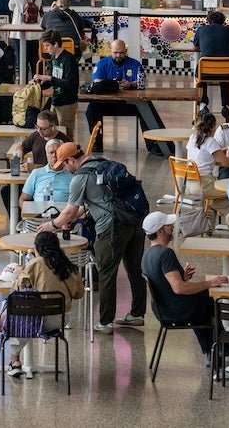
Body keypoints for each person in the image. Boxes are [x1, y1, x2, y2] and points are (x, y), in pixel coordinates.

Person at [50, 142, 147, 332]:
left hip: (111, 227)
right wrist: (76, 216)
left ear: (71, 160)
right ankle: (137, 313)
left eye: (64, 165)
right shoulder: (103, 162)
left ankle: (105, 322)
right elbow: (98, 200)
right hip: (135, 220)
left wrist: (52, 225)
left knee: (106, 272)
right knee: (134, 268)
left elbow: (69, 212)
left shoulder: (80, 178)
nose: (64, 169)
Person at [0, 228, 85, 378]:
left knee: (17, 311)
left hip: (39, 318)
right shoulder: (70, 266)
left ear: (39, 248)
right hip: (60, 320)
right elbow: (79, 294)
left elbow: (18, 286)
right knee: (22, 313)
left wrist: (22, 270)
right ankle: (12, 360)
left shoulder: (37, 262)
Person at [139, 211, 229, 357]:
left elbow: (166, 283)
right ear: (160, 231)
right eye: (169, 226)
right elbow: (179, 288)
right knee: (206, 299)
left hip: (161, 310)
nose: (173, 228)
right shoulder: (165, 254)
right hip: (176, 311)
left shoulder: (147, 255)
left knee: (201, 301)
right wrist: (210, 283)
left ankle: (214, 350)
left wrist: (183, 277)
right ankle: (219, 349)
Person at [193, 9, 229, 110]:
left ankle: (203, 105)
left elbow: (195, 47)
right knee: (225, 74)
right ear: (223, 21)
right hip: (226, 72)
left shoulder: (201, 30)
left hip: (205, 72)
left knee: (199, 75)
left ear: (209, 21)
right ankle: (226, 105)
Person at [19, 139, 77, 213]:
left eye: (57, 152)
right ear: (46, 155)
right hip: (38, 216)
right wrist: (29, 213)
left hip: (63, 218)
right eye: (51, 152)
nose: (54, 156)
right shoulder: (36, 173)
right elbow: (23, 199)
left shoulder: (72, 174)